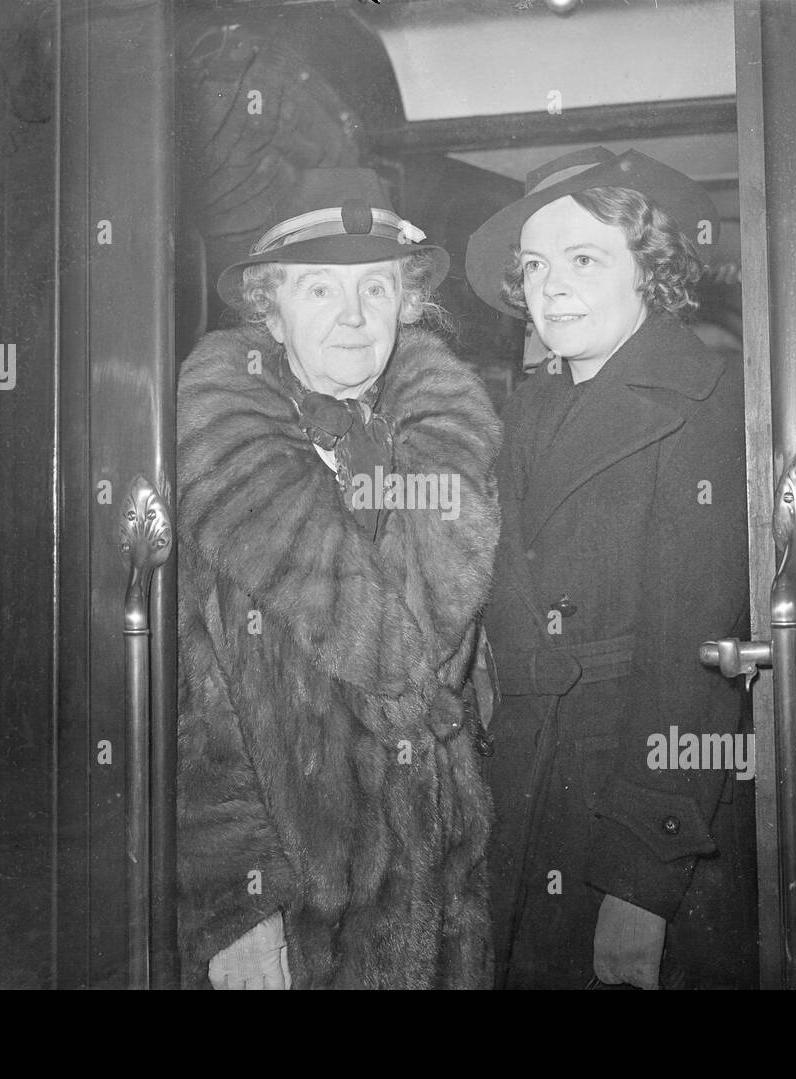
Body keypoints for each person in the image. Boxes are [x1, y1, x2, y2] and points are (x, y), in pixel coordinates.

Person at [176, 168, 501, 989]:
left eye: (377, 289)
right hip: (300, 912)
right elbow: (193, 720)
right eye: (320, 290)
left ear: (408, 303)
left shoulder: (451, 446)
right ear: (271, 310)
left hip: (445, 897)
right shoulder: (219, 466)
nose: (354, 318)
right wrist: (236, 911)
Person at [465, 147, 756, 989]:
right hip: (529, 800)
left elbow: (693, 666)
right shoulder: (528, 411)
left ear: (649, 271)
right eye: (533, 266)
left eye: (584, 259)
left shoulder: (704, 403)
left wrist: (639, 883)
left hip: (631, 819)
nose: (550, 286)